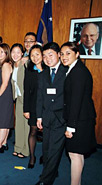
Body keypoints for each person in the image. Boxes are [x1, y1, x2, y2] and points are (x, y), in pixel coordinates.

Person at [60, 41, 97, 185]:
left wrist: (71, 126)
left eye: (68, 53)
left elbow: (76, 101)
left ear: (77, 54)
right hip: (81, 118)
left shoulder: (79, 72)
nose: (64, 57)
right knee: (76, 154)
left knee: (74, 154)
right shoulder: (74, 69)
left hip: (80, 119)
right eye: (62, 54)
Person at [35, 42, 68, 185]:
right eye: (44, 56)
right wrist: (39, 116)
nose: (47, 59)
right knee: (47, 148)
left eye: (51, 55)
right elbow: (40, 97)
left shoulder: (67, 72)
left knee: (54, 149)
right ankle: (52, 171)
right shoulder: (43, 75)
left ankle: (45, 180)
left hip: (61, 118)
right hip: (47, 117)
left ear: (58, 55)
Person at [23, 45, 46, 169]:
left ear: (42, 54)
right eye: (32, 55)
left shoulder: (48, 69)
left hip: (47, 106)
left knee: (46, 132)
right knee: (33, 131)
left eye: (37, 54)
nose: (35, 57)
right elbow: (26, 90)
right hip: (33, 105)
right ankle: (32, 156)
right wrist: (26, 109)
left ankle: (45, 155)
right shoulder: (29, 70)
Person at [11, 43, 29, 158]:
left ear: (22, 53)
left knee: (26, 126)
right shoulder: (13, 65)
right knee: (19, 124)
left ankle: (25, 150)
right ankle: (18, 147)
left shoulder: (26, 63)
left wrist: (27, 58)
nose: (15, 55)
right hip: (18, 98)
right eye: (13, 52)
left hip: (27, 98)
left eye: (18, 52)